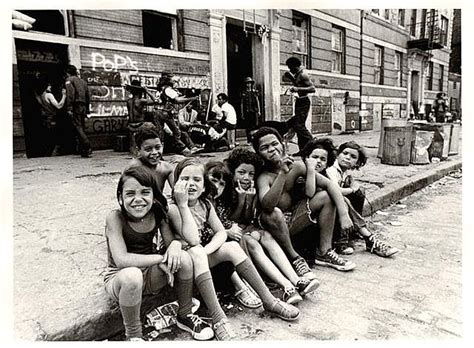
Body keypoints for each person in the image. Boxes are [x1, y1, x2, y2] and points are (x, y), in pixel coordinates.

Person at [167, 158, 300, 338]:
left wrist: (206, 252)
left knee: (231, 247)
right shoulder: (174, 207)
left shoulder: (205, 204)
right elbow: (193, 239)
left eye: (197, 180)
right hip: (180, 266)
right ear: (175, 184)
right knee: (197, 250)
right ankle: (219, 318)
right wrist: (183, 204)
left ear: (204, 186)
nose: (190, 184)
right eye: (184, 179)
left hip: (199, 258)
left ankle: (269, 300)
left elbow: (221, 233)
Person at [104, 166, 214, 341]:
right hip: (121, 278)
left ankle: (184, 315)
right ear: (120, 197)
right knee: (132, 275)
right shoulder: (115, 218)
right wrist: (160, 258)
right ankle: (134, 336)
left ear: (154, 196)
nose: (138, 199)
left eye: (145, 193)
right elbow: (121, 260)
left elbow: (173, 244)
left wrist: (176, 245)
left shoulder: (157, 213)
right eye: (130, 194)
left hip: (149, 275)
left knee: (184, 258)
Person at [207, 150, 320, 304]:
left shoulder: (242, 188)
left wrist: (248, 199)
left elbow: (245, 218)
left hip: (239, 230)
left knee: (265, 235)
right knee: (252, 241)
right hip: (227, 236)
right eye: (241, 172)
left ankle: (296, 280)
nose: (246, 177)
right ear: (233, 172)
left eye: (250, 174)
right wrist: (241, 201)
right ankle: (286, 286)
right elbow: (229, 220)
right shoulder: (224, 191)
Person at [252, 127, 356, 272]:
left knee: (326, 196)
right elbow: (268, 206)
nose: (271, 149)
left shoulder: (297, 166)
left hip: (294, 219)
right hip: (275, 225)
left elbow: (329, 184)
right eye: (264, 147)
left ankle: (324, 252)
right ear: (259, 153)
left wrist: (344, 214)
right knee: (274, 212)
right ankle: (294, 257)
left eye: (274, 144)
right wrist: (282, 173)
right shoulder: (264, 177)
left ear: (282, 144)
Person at [324, 141, 399, 257]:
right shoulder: (331, 169)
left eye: (353, 157)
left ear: (357, 163)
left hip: (332, 204)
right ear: (338, 154)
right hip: (322, 205)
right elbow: (336, 191)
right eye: (345, 153)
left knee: (360, 191)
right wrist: (352, 189)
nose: (347, 158)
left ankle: (352, 231)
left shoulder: (343, 172)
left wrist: (353, 187)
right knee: (345, 199)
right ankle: (366, 238)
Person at [156, 75, 199, 156]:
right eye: (173, 80)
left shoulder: (161, 89)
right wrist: (191, 99)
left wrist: (183, 97)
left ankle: (159, 154)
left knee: (160, 134)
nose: (175, 82)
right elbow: (177, 100)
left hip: (158, 112)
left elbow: (160, 100)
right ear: (169, 81)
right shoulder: (168, 90)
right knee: (177, 132)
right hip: (166, 113)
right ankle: (184, 150)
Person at [282, 57, 315, 156]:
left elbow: (312, 88)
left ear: (295, 66)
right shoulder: (297, 75)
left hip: (304, 101)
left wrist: (296, 88)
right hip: (300, 101)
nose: (290, 69)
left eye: (290, 67)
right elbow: (298, 85)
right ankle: (303, 150)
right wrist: (291, 78)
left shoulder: (303, 75)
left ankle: (313, 143)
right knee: (298, 126)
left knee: (298, 126)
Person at [126, 127, 174, 194]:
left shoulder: (166, 168)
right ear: (138, 150)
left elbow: (178, 191)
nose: (154, 152)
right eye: (148, 149)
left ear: (162, 146)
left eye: (158, 147)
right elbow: (125, 193)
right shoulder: (133, 168)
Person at [126, 80, 161, 155]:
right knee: (156, 128)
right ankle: (155, 146)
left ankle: (134, 149)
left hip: (131, 125)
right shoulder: (141, 101)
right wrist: (147, 91)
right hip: (140, 125)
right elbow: (156, 101)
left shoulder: (128, 101)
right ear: (140, 91)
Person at [65, 64, 92, 158]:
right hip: (84, 105)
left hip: (76, 105)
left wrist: (69, 108)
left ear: (68, 73)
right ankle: (84, 150)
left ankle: (87, 145)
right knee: (82, 127)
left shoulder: (69, 80)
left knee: (77, 126)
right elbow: (88, 95)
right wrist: (88, 109)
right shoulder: (83, 82)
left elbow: (70, 95)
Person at [35, 80, 66, 156]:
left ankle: (48, 154)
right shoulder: (49, 95)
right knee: (55, 138)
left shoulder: (40, 96)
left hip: (45, 119)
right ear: (45, 86)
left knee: (49, 138)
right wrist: (64, 95)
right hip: (52, 118)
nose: (50, 87)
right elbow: (59, 106)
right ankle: (53, 154)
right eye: (49, 85)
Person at [240, 77, 261, 143]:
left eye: (249, 83)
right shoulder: (243, 93)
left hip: (254, 111)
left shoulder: (254, 92)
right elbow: (242, 103)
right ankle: (249, 140)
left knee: (254, 126)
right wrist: (242, 113)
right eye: (247, 83)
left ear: (251, 84)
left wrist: (259, 111)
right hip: (247, 112)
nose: (248, 85)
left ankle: (255, 139)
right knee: (248, 127)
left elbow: (257, 101)